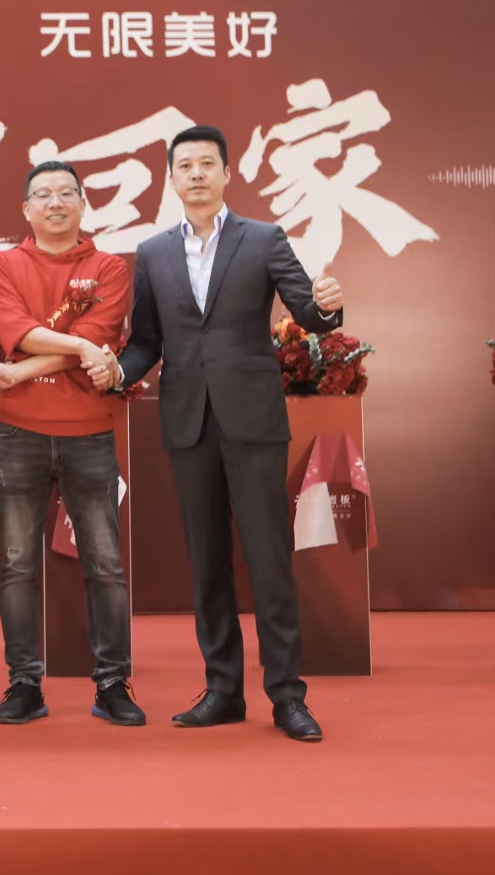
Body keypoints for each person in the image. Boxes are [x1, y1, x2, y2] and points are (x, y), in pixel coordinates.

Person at [113, 125, 344, 743]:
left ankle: (287, 696)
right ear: (171, 178)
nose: (195, 174)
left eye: (206, 164)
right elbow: (146, 342)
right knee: (207, 561)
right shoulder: (153, 253)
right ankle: (223, 689)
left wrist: (327, 304)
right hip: (188, 421)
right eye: (184, 165)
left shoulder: (264, 238)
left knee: (269, 559)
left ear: (226, 173)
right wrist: (118, 372)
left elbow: (308, 313)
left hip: (253, 420)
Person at [0, 160, 144, 726]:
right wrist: (81, 350)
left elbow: (97, 337)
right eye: (43, 194)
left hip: (88, 432)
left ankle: (113, 682)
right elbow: (17, 332)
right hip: (18, 432)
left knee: (106, 565)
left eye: (66, 193)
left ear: (81, 202)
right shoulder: (1, 265)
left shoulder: (109, 267)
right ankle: (24, 683)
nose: (55, 202)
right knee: (17, 565)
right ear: (26, 208)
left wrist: (22, 370)